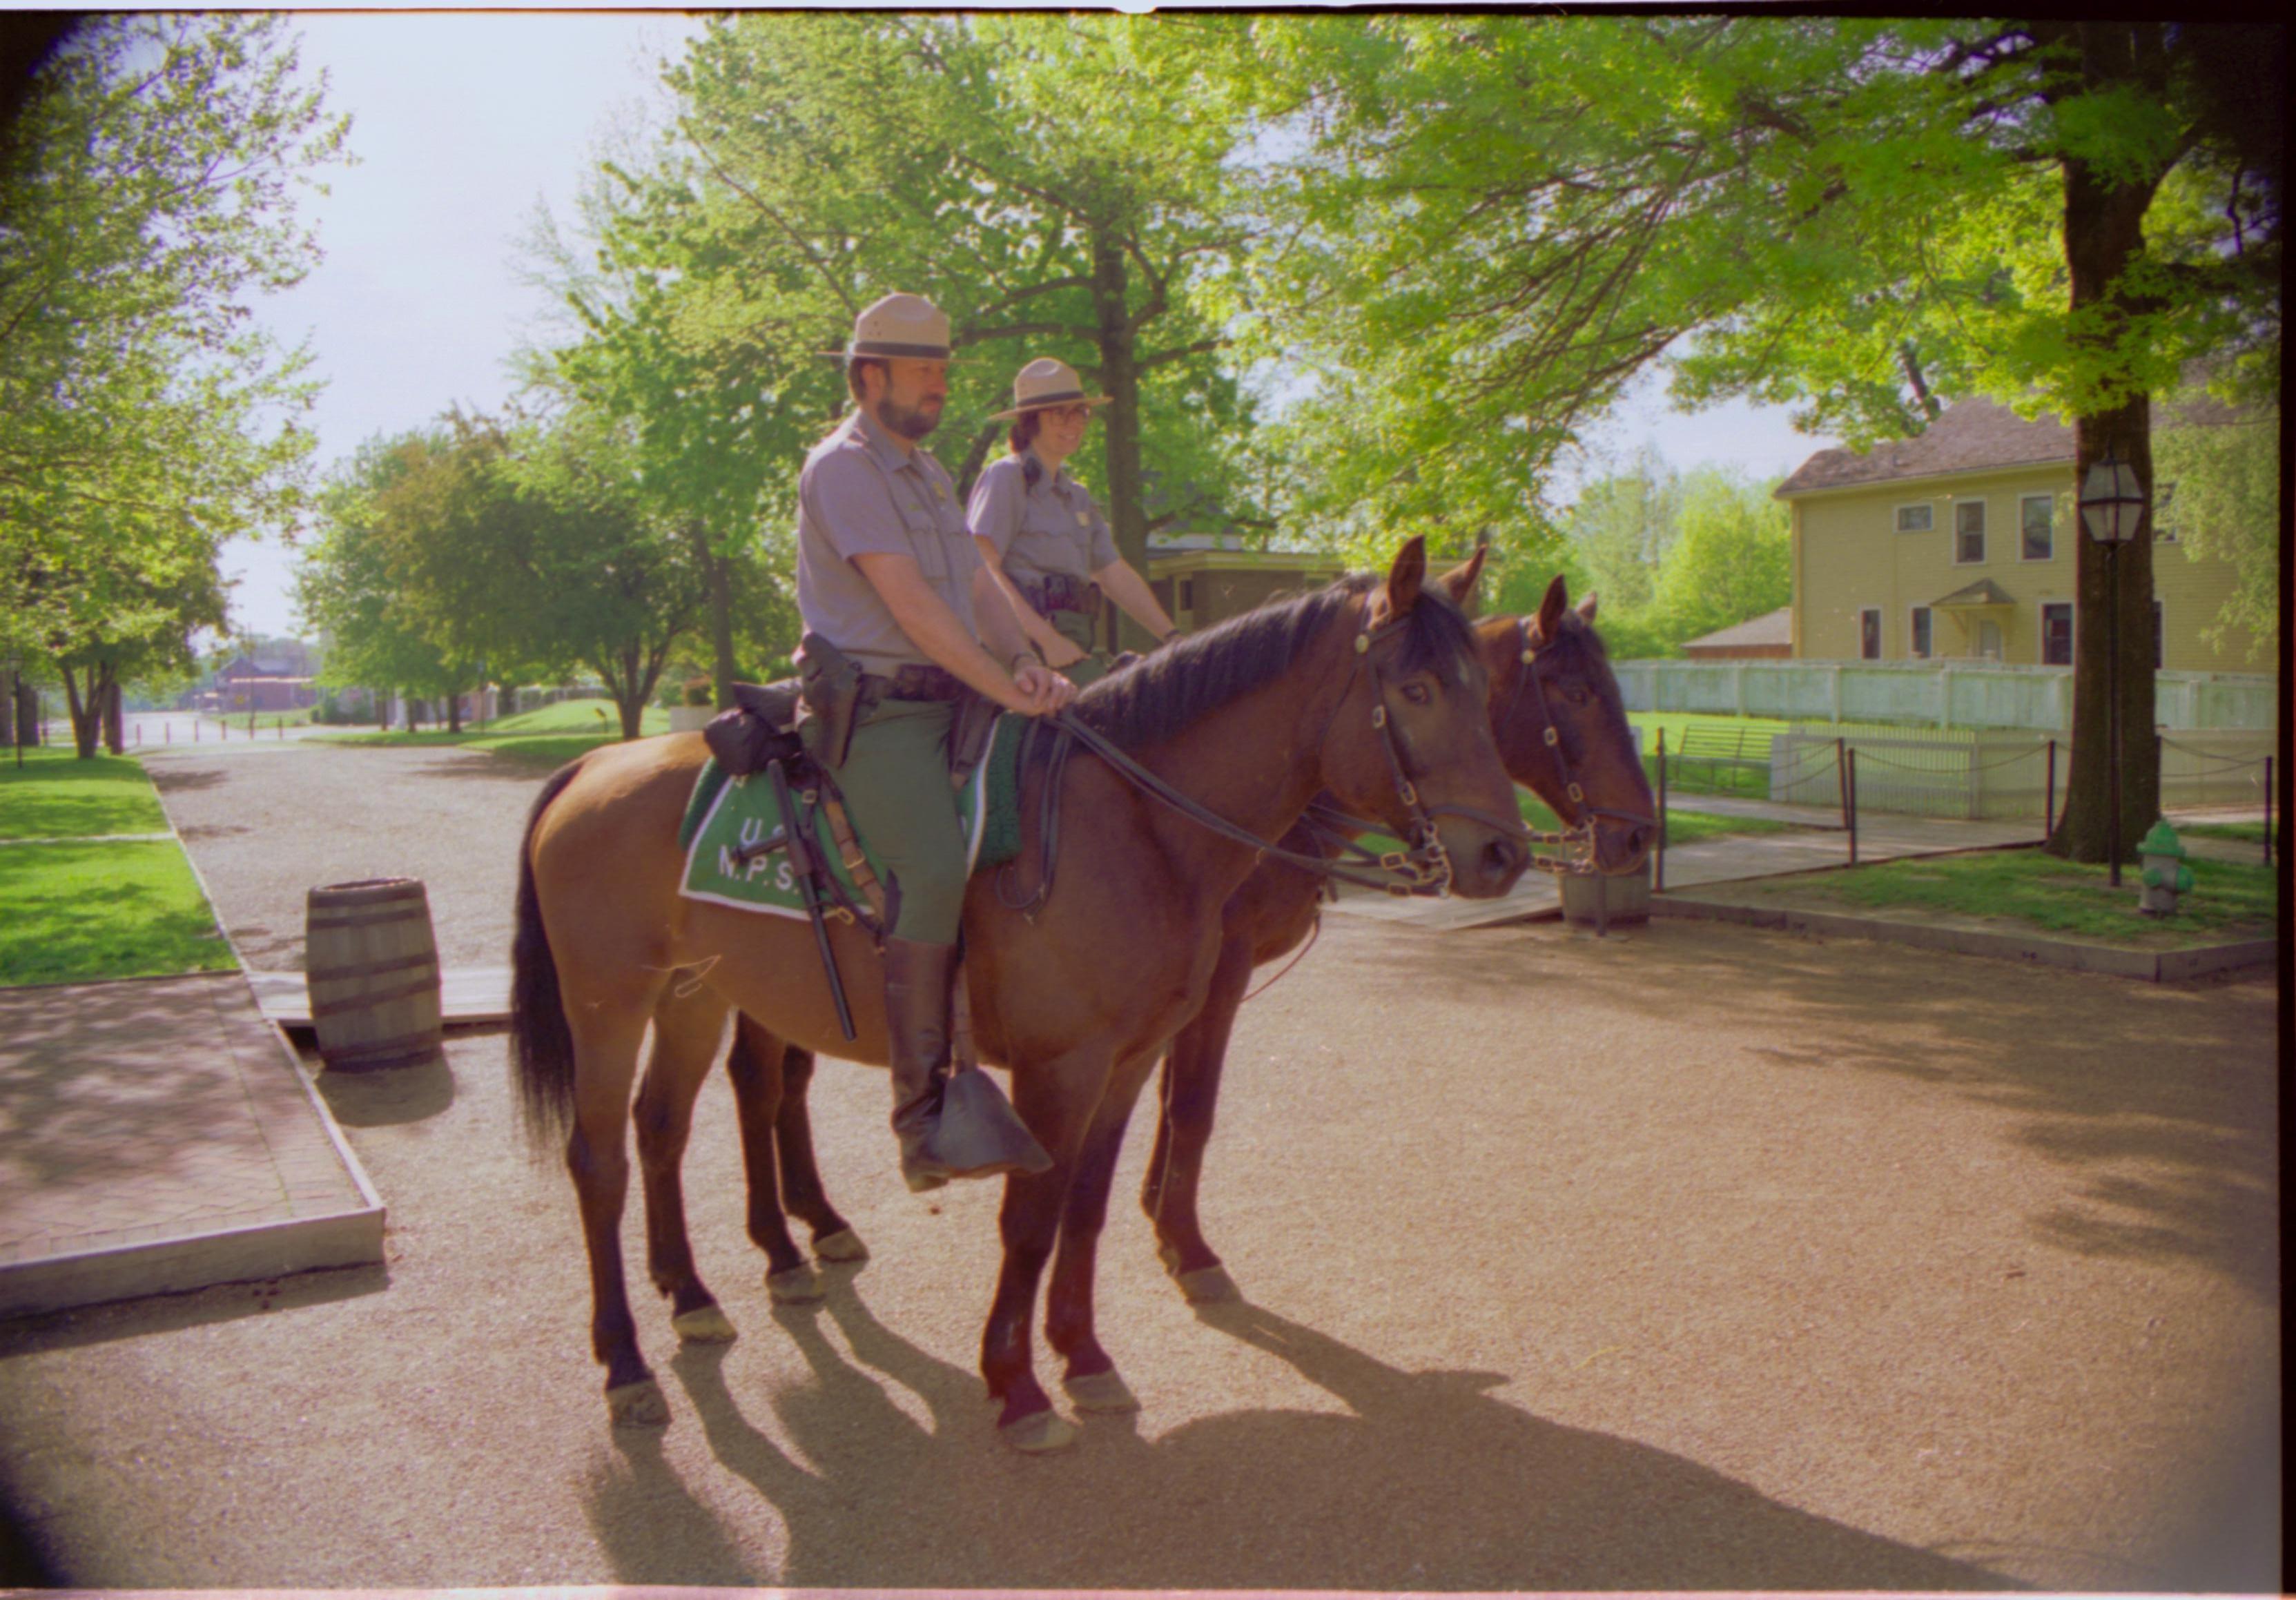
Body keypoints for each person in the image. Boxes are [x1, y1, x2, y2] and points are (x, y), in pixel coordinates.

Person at [795, 293, 1077, 1192]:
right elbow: (912, 606)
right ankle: (920, 1118)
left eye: (945, 371)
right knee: (934, 863)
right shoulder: (842, 469)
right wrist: (1002, 686)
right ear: (867, 375)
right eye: (924, 371)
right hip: (877, 715)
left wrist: (1026, 662)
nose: (940, 387)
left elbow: (975, 586)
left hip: (957, 702)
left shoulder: (925, 473)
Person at [967, 358, 1181, 687]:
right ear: (1030, 421)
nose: (1074, 423)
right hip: (1022, 651)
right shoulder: (1006, 477)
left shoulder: (1077, 497)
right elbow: (981, 568)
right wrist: (1045, 640)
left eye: (1080, 412)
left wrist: (1173, 638)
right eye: (1059, 414)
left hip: (1074, 646)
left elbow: (1113, 573)